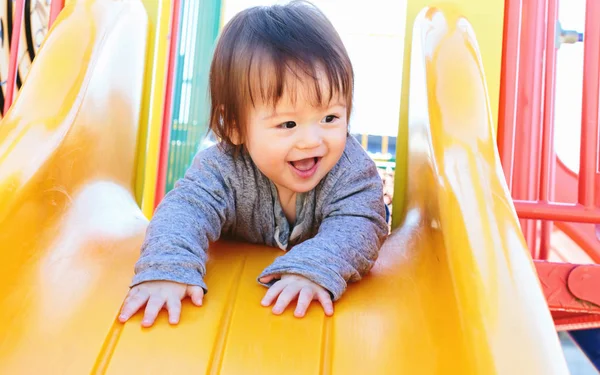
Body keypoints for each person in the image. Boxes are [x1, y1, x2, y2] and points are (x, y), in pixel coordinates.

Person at [118, 0, 389, 327]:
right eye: (287, 125)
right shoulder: (222, 169)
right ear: (234, 126)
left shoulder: (351, 170)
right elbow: (185, 209)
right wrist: (168, 266)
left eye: (330, 117)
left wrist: (316, 266)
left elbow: (363, 221)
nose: (312, 141)